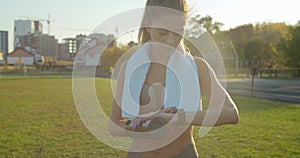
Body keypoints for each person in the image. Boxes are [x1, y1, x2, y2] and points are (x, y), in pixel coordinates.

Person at [109, 0, 239, 157]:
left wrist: (180, 118)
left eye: (178, 32)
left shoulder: (198, 67)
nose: (170, 41)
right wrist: (140, 126)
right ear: (148, 25)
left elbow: (231, 113)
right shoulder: (129, 68)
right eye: (162, 32)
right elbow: (113, 126)